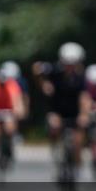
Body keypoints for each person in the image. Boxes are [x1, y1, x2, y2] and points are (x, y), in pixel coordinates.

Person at [33, 42, 91, 171]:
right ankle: (56, 148)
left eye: (73, 63)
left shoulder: (81, 77)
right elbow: (36, 68)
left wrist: (84, 115)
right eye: (67, 63)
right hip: (57, 110)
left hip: (75, 112)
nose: (70, 66)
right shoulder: (53, 70)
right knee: (54, 125)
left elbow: (84, 97)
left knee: (77, 141)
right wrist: (44, 83)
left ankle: (77, 168)